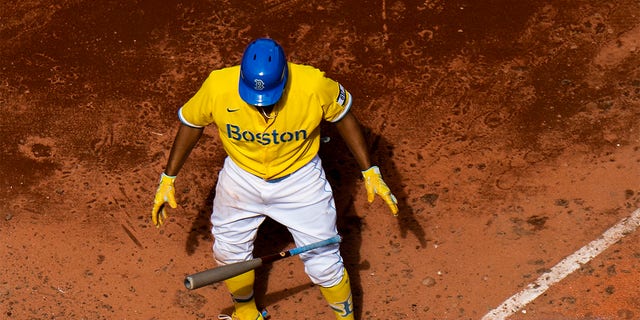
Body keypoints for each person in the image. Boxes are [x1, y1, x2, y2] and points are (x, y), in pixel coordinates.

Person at [151, 37, 398, 320]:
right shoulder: (218, 86)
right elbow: (191, 123)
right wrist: (168, 178)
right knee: (229, 252)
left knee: (324, 261)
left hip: (301, 180)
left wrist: (370, 170)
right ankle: (246, 314)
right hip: (241, 178)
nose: (261, 106)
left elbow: (344, 116)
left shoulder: (312, 85)